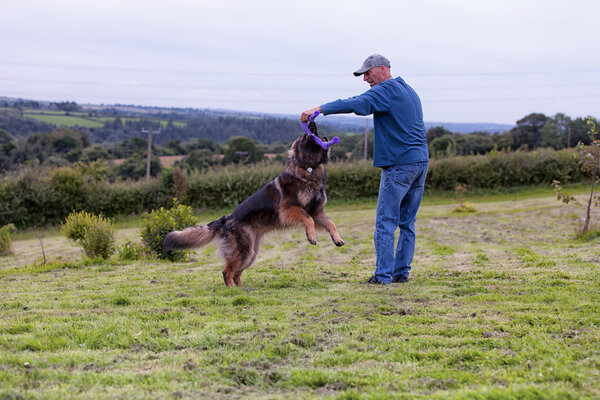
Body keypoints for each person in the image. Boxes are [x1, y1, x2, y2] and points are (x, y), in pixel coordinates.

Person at [300, 54, 429, 285]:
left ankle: (382, 277)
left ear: (382, 69)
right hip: (419, 162)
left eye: (368, 73)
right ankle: (401, 274)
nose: (365, 79)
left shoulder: (386, 90)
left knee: (385, 222)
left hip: (399, 164)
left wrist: (319, 109)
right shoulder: (408, 90)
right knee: (407, 223)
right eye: (363, 74)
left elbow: (356, 103)